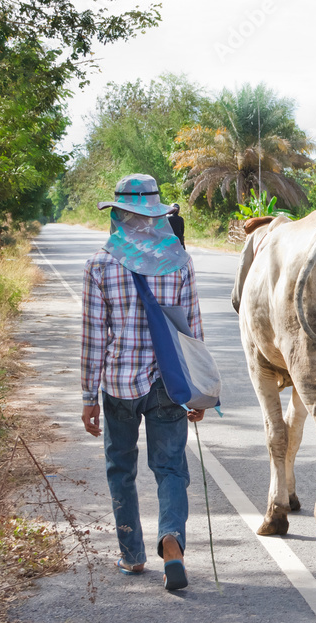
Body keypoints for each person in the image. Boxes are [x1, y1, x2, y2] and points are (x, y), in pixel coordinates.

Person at [81, 174, 204, 591]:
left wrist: (87, 395)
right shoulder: (180, 261)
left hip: (118, 382)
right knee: (171, 468)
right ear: (157, 214)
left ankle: (132, 556)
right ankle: (171, 540)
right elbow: (192, 331)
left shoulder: (100, 263)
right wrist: (199, 388)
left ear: (118, 214)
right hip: (169, 382)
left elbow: (94, 336)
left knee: (121, 468)